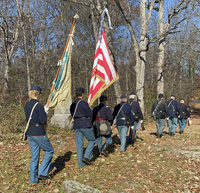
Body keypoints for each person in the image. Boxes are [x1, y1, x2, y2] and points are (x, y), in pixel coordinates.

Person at [24, 86, 54, 184]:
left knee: (34, 157)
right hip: (39, 133)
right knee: (49, 150)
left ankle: (33, 180)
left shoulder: (27, 105)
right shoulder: (39, 106)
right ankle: (42, 173)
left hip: (30, 133)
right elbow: (43, 120)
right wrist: (45, 112)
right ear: (38, 93)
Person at [70, 87, 96, 167]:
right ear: (82, 94)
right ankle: (86, 157)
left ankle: (80, 164)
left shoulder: (72, 104)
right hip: (85, 124)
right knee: (92, 140)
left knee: (79, 145)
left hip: (76, 125)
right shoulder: (84, 103)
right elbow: (90, 113)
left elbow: (72, 114)